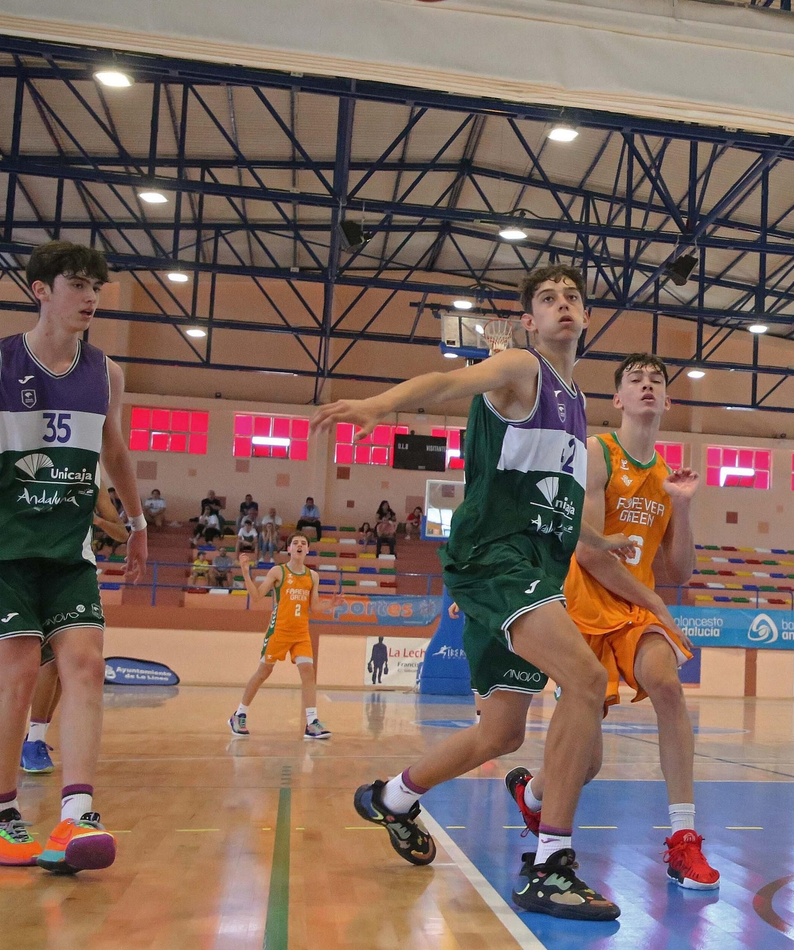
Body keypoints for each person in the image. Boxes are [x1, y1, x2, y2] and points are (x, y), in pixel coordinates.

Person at [315, 264, 633, 921]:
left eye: (573, 296)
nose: (563, 305)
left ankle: (396, 797)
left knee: (501, 733)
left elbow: (559, 509)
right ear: (529, 321)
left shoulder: (577, 406)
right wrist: (379, 405)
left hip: (534, 566)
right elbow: (447, 380)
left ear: (589, 315)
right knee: (583, 682)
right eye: (547, 298)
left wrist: (600, 546)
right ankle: (550, 865)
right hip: (495, 558)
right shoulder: (522, 368)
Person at [0, 240, 148, 873]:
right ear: (41, 290)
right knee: (18, 671)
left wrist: (137, 523)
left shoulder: (106, 373)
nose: (90, 297)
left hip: (67, 546)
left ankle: (76, 815)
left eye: (96, 287)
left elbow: (114, 452)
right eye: (77, 284)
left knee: (86, 665)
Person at [506, 353, 716, 890]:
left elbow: (679, 570)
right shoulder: (598, 453)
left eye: (656, 381)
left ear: (668, 400)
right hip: (583, 606)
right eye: (634, 381)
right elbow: (591, 553)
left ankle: (684, 840)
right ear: (617, 400)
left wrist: (685, 509)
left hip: (635, 608)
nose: (647, 386)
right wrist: (662, 607)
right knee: (585, 763)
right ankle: (532, 794)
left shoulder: (669, 476)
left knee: (668, 684)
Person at [21, 494, 129, 777]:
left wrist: (95, 519)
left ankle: (36, 738)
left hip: (76, 573)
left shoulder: (94, 476)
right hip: (36, 565)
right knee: (47, 661)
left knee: (62, 663)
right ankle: (33, 739)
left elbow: (122, 533)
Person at [230, 535, 330, 740]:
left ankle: (312, 723)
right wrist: (245, 573)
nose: (300, 545)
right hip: (279, 631)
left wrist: (332, 604)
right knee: (263, 672)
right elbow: (257, 596)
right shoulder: (278, 571)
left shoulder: (313, 576)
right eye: (296, 543)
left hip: (301, 632)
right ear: (289, 549)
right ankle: (239, 714)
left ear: (308, 550)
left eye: (304, 543)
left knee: (308, 672)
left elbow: (315, 607)